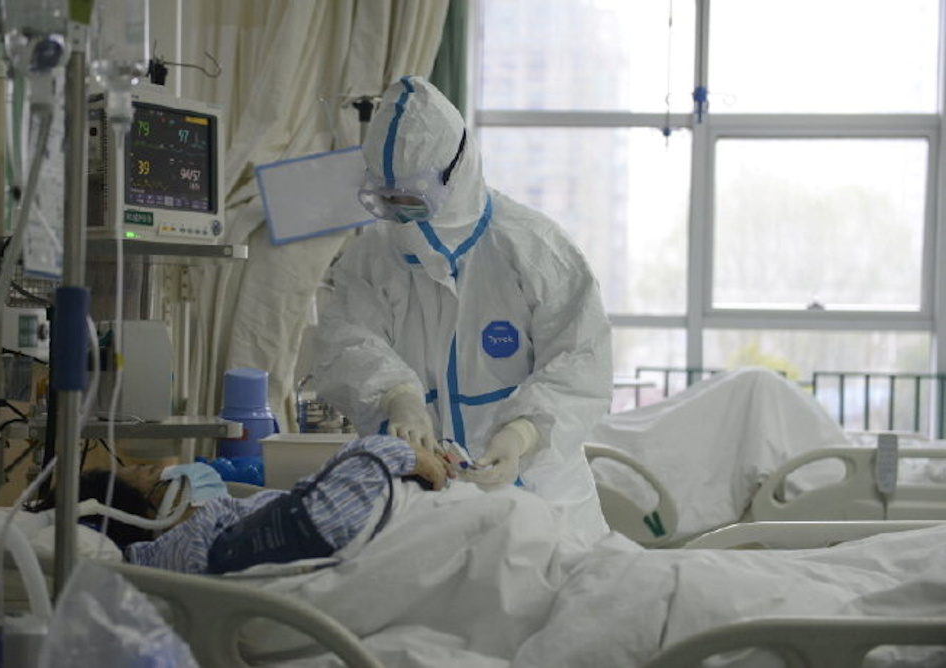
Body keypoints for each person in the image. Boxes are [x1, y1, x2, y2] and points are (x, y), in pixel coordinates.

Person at [312, 76, 613, 545]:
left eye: (414, 201)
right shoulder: (371, 260)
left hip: (544, 502)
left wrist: (521, 435)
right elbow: (348, 341)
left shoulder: (534, 250)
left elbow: (580, 364)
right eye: (388, 203)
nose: (404, 220)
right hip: (422, 503)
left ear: (457, 174)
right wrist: (398, 398)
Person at [31, 435, 449, 575]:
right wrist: (391, 453)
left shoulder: (220, 524)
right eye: (148, 472)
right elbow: (321, 520)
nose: (170, 464)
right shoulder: (198, 548)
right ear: (142, 514)